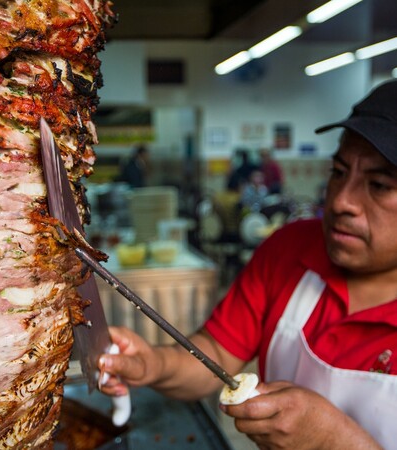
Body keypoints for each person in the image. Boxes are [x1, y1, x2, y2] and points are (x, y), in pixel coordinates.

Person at [98, 80, 397, 449]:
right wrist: (152, 365)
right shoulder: (290, 250)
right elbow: (217, 353)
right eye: (338, 173)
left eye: (380, 184)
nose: (341, 202)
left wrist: (334, 440)